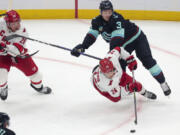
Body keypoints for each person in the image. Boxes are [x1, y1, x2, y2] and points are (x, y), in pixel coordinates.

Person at [71, 0, 171, 96]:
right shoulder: (96, 21)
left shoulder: (117, 19)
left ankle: (163, 83)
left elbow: (116, 40)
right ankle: (129, 87)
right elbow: (91, 36)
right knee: (119, 68)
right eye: (105, 12)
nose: (107, 14)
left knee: (147, 61)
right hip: (123, 45)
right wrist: (83, 47)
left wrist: (110, 58)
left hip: (137, 38)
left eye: (109, 11)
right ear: (100, 12)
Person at [0, 10, 51, 101]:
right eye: (13, 23)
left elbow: (17, 50)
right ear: (7, 23)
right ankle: (3, 88)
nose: (17, 25)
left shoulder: (22, 31)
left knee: (37, 76)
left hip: (18, 55)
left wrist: (5, 47)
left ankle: (38, 87)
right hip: (2, 56)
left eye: (18, 22)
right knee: (1, 74)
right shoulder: (1, 23)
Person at [91, 46, 156, 102]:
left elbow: (119, 49)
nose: (112, 73)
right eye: (109, 72)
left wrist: (129, 58)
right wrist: (128, 88)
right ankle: (95, 71)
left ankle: (144, 93)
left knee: (136, 85)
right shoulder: (105, 83)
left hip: (117, 76)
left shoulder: (111, 58)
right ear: (103, 73)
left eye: (112, 69)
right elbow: (118, 93)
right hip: (104, 89)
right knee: (116, 99)